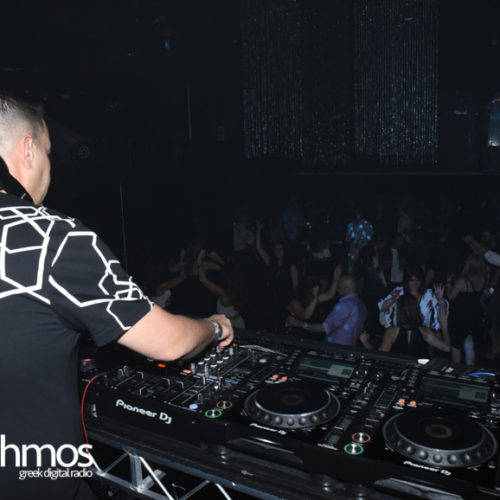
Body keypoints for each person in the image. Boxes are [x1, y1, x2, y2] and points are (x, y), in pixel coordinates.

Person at [0, 94, 234, 500]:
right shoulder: (52, 238)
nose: (51, 167)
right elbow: (169, 343)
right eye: (49, 153)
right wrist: (215, 327)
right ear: (27, 150)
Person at [286, 275, 367, 346]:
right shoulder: (361, 305)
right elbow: (305, 315)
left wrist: (301, 324)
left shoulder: (346, 304)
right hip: (299, 336)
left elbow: (325, 327)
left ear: (346, 289)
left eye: (339, 288)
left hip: (335, 347)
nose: (337, 290)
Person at [378, 294, 450, 356]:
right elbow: (447, 348)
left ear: (399, 311)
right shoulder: (424, 331)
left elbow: (381, 355)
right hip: (417, 367)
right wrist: (444, 325)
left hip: (397, 367)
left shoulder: (392, 332)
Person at [447, 254, 487, 364]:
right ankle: (470, 369)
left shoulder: (462, 280)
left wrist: (448, 283)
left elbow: (451, 297)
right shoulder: (482, 279)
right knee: (469, 343)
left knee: (456, 344)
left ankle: (456, 370)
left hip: (460, 315)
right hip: (474, 314)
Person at [378, 267, 445, 331]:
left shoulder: (428, 294)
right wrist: (393, 299)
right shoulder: (399, 291)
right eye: (412, 280)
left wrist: (440, 299)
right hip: (400, 332)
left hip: (422, 333)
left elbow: (442, 313)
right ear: (407, 281)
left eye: (417, 280)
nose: (415, 283)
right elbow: (382, 307)